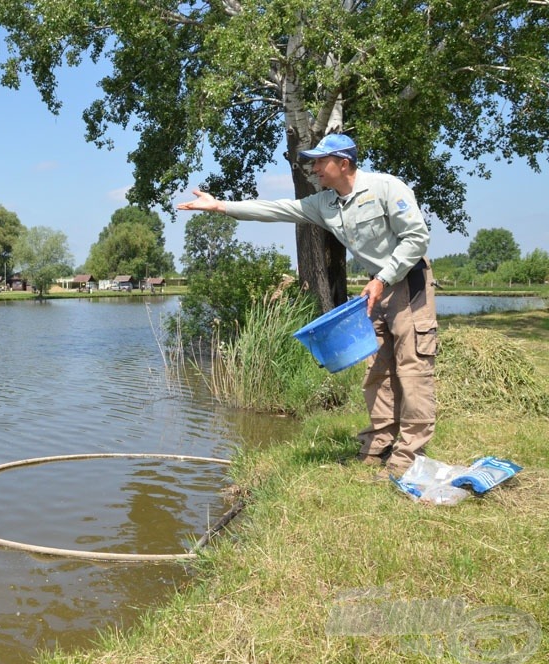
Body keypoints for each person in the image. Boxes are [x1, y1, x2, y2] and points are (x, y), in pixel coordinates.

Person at [177, 133, 438, 477]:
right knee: (377, 368)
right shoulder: (325, 204)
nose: (314, 169)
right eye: (313, 162)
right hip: (376, 286)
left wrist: (383, 278)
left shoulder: (386, 188)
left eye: (320, 162)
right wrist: (220, 206)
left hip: (408, 280)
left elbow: (417, 238)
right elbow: (275, 209)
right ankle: (378, 442)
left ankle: (408, 455)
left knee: (412, 368)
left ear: (343, 163)